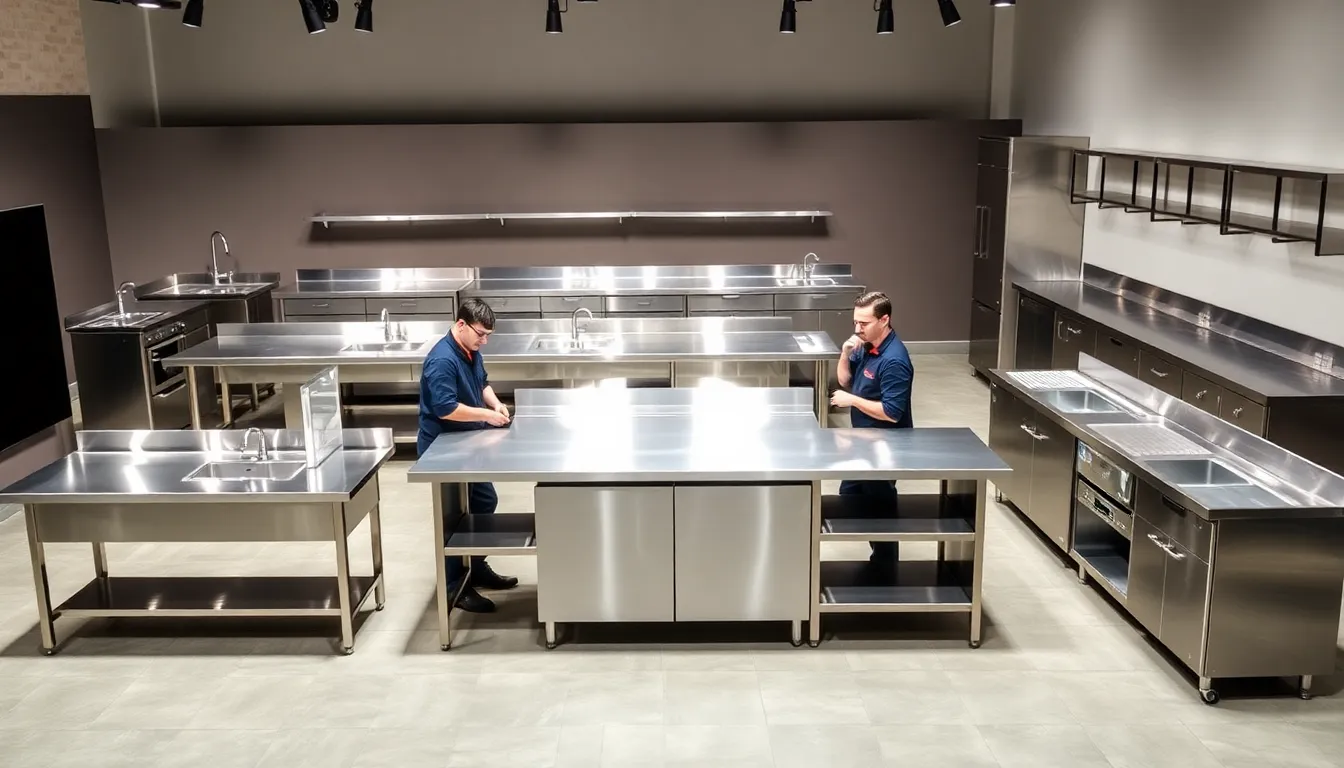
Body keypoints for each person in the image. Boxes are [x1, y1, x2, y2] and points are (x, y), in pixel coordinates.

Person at [417, 298, 517, 613]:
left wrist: (495, 403)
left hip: (467, 442)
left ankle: (475, 565)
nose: (484, 340)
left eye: (488, 335)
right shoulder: (442, 361)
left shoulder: (469, 349)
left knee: (484, 501)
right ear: (461, 325)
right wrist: (487, 417)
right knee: (452, 517)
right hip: (443, 448)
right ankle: (453, 588)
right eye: (481, 334)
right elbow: (445, 408)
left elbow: (481, 381)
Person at [829, 291, 914, 566]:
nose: (857, 328)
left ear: (884, 320)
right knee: (849, 495)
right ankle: (877, 549)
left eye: (863, 323)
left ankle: (886, 564)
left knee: (881, 506)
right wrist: (845, 353)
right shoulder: (865, 346)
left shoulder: (895, 360)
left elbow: (891, 412)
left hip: (886, 446)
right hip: (863, 441)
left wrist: (852, 400)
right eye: (855, 322)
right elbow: (845, 381)